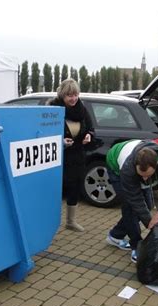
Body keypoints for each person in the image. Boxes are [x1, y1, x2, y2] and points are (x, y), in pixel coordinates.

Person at [105, 139, 158, 263]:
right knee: (130, 209)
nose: (144, 178)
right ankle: (136, 245)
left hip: (136, 153)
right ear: (135, 166)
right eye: (141, 175)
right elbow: (135, 201)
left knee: (149, 204)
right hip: (114, 165)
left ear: (156, 165)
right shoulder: (128, 169)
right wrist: (150, 223)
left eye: (148, 175)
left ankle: (115, 236)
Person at [48, 79, 93, 232]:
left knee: (75, 187)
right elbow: (45, 133)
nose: (73, 99)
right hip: (57, 156)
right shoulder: (53, 109)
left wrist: (89, 136)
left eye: (75, 95)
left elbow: (90, 127)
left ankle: (70, 221)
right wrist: (60, 141)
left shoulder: (82, 109)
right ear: (62, 95)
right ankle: (47, 221)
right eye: (69, 96)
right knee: (54, 189)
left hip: (77, 155)